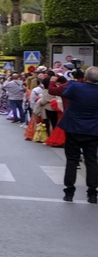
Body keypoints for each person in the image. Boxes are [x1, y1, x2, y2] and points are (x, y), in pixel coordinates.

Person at [48, 66, 98, 203]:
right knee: (92, 161)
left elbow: (64, 92)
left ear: (85, 78)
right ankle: (92, 193)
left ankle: (69, 192)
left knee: (71, 160)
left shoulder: (76, 87)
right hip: (93, 130)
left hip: (73, 128)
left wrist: (72, 80)